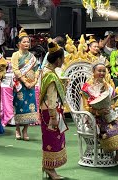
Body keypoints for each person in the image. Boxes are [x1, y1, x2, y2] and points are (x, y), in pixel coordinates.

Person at [81, 63, 118, 168]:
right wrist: (98, 112)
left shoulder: (108, 85)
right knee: (114, 129)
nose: (102, 73)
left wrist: (110, 108)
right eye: (99, 71)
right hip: (94, 118)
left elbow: (112, 102)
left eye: (104, 71)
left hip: (108, 115)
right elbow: (86, 107)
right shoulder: (87, 87)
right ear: (93, 72)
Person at [40, 39, 67, 179]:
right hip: (50, 112)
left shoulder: (46, 71)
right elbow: (51, 99)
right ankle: (50, 168)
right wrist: (53, 117)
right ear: (57, 60)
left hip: (48, 111)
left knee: (52, 139)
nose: (63, 61)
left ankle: (48, 166)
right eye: (62, 58)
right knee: (52, 140)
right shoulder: (50, 75)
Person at [11, 28, 40, 141]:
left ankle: (25, 130)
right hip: (20, 85)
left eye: (28, 42)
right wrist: (25, 81)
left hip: (31, 85)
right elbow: (16, 70)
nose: (27, 43)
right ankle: (18, 129)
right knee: (19, 106)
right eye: (24, 42)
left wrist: (34, 81)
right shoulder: (15, 55)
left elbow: (38, 68)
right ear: (19, 44)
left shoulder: (32, 57)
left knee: (30, 107)